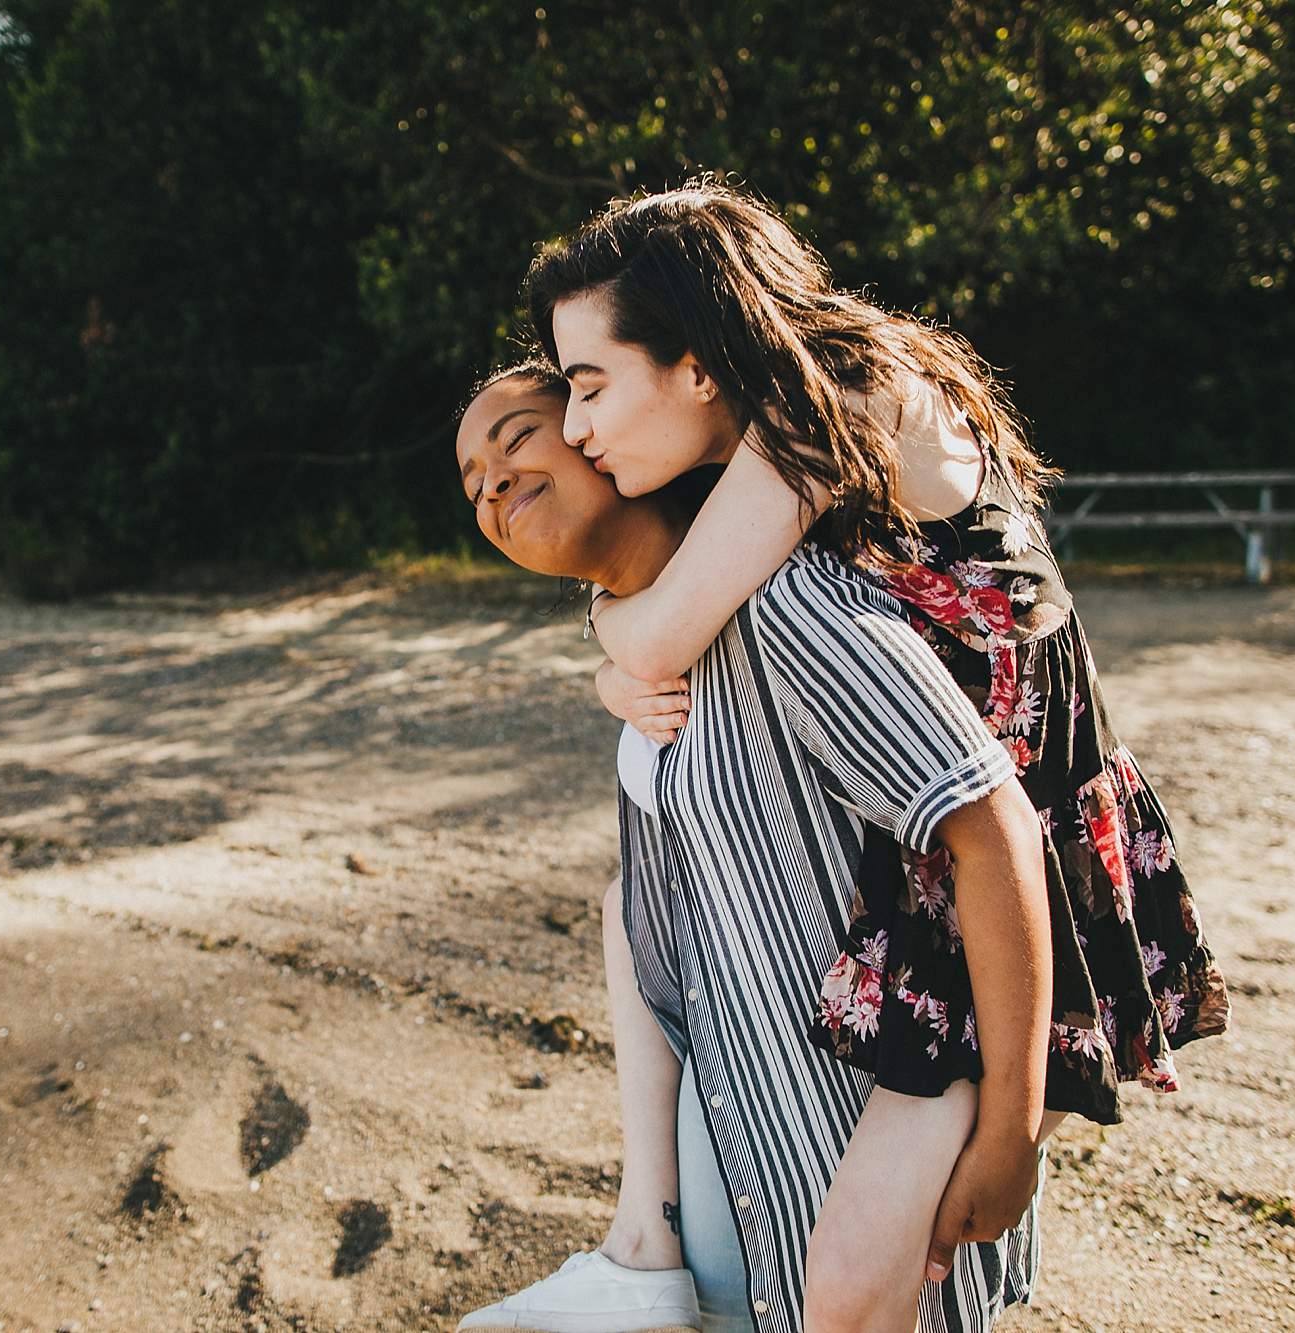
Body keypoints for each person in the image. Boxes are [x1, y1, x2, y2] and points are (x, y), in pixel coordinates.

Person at [522, 180, 1229, 1323]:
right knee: (865, 1285)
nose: (574, 429)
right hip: (963, 866)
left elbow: (662, 631)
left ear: (698, 363)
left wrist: (609, 649)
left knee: (855, 1283)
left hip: (1008, 872)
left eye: (589, 386)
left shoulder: (828, 399)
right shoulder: (844, 391)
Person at [452, 365, 1058, 1333]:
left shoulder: (786, 607)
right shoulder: (660, 636)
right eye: (470, 476)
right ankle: (636, 1250)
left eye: (516, 435)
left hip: (842, 1095)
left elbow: (989, 836)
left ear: (604, 434)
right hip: (727, 1071)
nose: (487, 478)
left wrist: (1006, 1125)